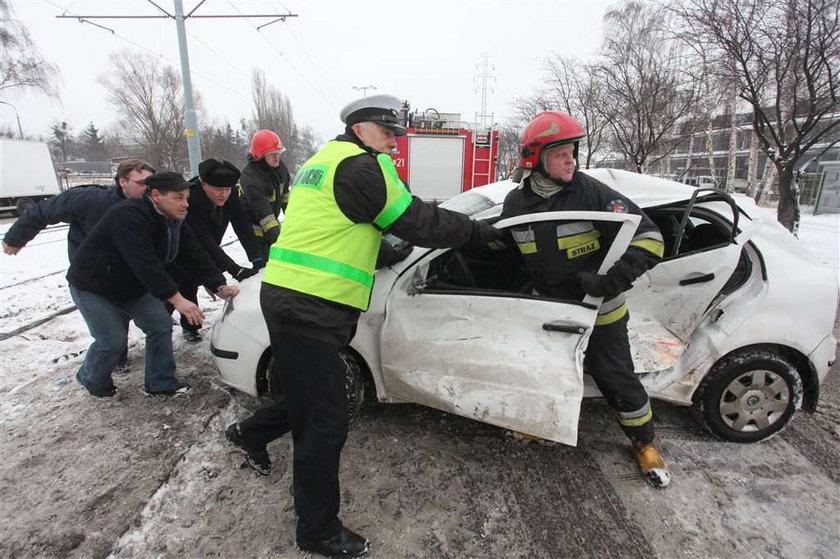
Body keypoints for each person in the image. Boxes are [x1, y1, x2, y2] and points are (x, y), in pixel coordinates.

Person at [224, 94, 500, 558]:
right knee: (326, 419)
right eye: (387, 132)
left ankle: (248, 434)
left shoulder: (324, 160)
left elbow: (344, 225)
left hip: (290, 295)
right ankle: (316, 529)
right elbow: (414, 219)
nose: (394, 142)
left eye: (396, 134)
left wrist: (389, 249)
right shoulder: (363, 166)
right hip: (309, 305)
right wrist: (476, 233)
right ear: (359, 127)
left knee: (305, 396)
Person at [500, 111, 670, 488]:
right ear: (537, 159)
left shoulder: (590, 191)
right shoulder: (516, 203)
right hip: (548, 313)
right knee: (545, 375)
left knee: (617, 378)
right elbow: (510, 252)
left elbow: (650, 237)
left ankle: (644, 443)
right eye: (561, 154)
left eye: (572, 152)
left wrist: (613, 280)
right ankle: (538, 425)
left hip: (600, 311)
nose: (571, 160)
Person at [67, 171, 239, 398]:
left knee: (160, 325)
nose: (185, 204)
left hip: (131, 286)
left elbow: (194, 253)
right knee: (112, 341)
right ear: (156, 195)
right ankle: (91, 377)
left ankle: (159, 382)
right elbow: (145, 264)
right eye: (178, 197)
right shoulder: (127, 216)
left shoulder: (175, 219)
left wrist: (219, 284)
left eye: (186, 198)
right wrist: (178, 301)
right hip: (94, 286)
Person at [169, 158, 263, 343]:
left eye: (227, 189)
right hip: (179, 251)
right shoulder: (191, 200)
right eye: (218, 189)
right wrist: (233, 268)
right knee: (183, 286)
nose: (224, 194)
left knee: (198, 279)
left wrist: (257, 259)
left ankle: (189, 325)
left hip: (207, 245)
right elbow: (203, 240)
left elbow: (242, 226)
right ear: (203, 184)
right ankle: (174, 326)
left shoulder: (231, 194)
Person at [2, 158, 155, 258]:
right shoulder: (88, 200)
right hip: (91, 280)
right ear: (123, 182)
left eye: (151, 184)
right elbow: (43, 211)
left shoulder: (158, 204)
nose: (148, 189)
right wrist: (15, 238)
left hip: (133, 278)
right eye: (142, 184)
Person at [239, 130, 292, 260]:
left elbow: (286, 199)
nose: (276, 157)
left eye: (278, 153)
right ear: (260, 156)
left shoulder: (280, 169)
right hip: (252, 225)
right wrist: (281, 243)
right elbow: (265, 215)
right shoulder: (251, 178)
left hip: (269, 217)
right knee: (265, 260)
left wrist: (296, 221)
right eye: (271, 154)